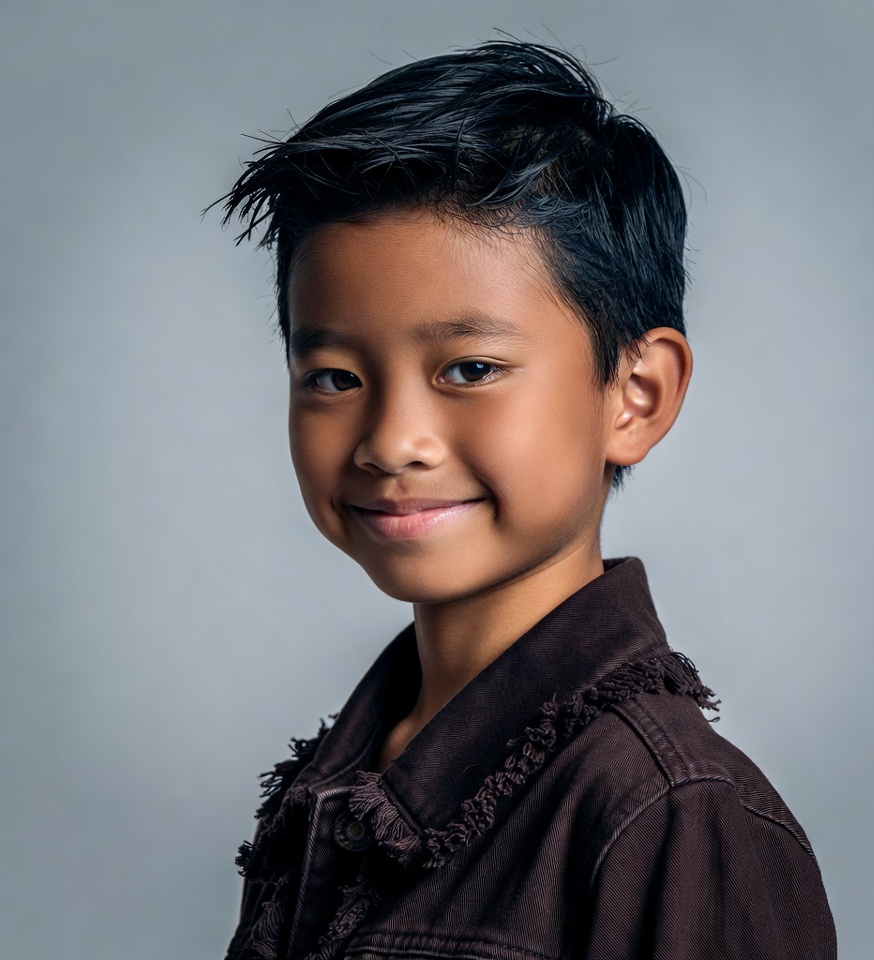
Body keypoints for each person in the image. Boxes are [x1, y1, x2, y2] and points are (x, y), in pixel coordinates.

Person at [215, 40, 836, 960]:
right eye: (334, 377)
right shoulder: (336, 782)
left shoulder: (674, 815)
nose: (391, 441)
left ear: (637, 395)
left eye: (470, 369)